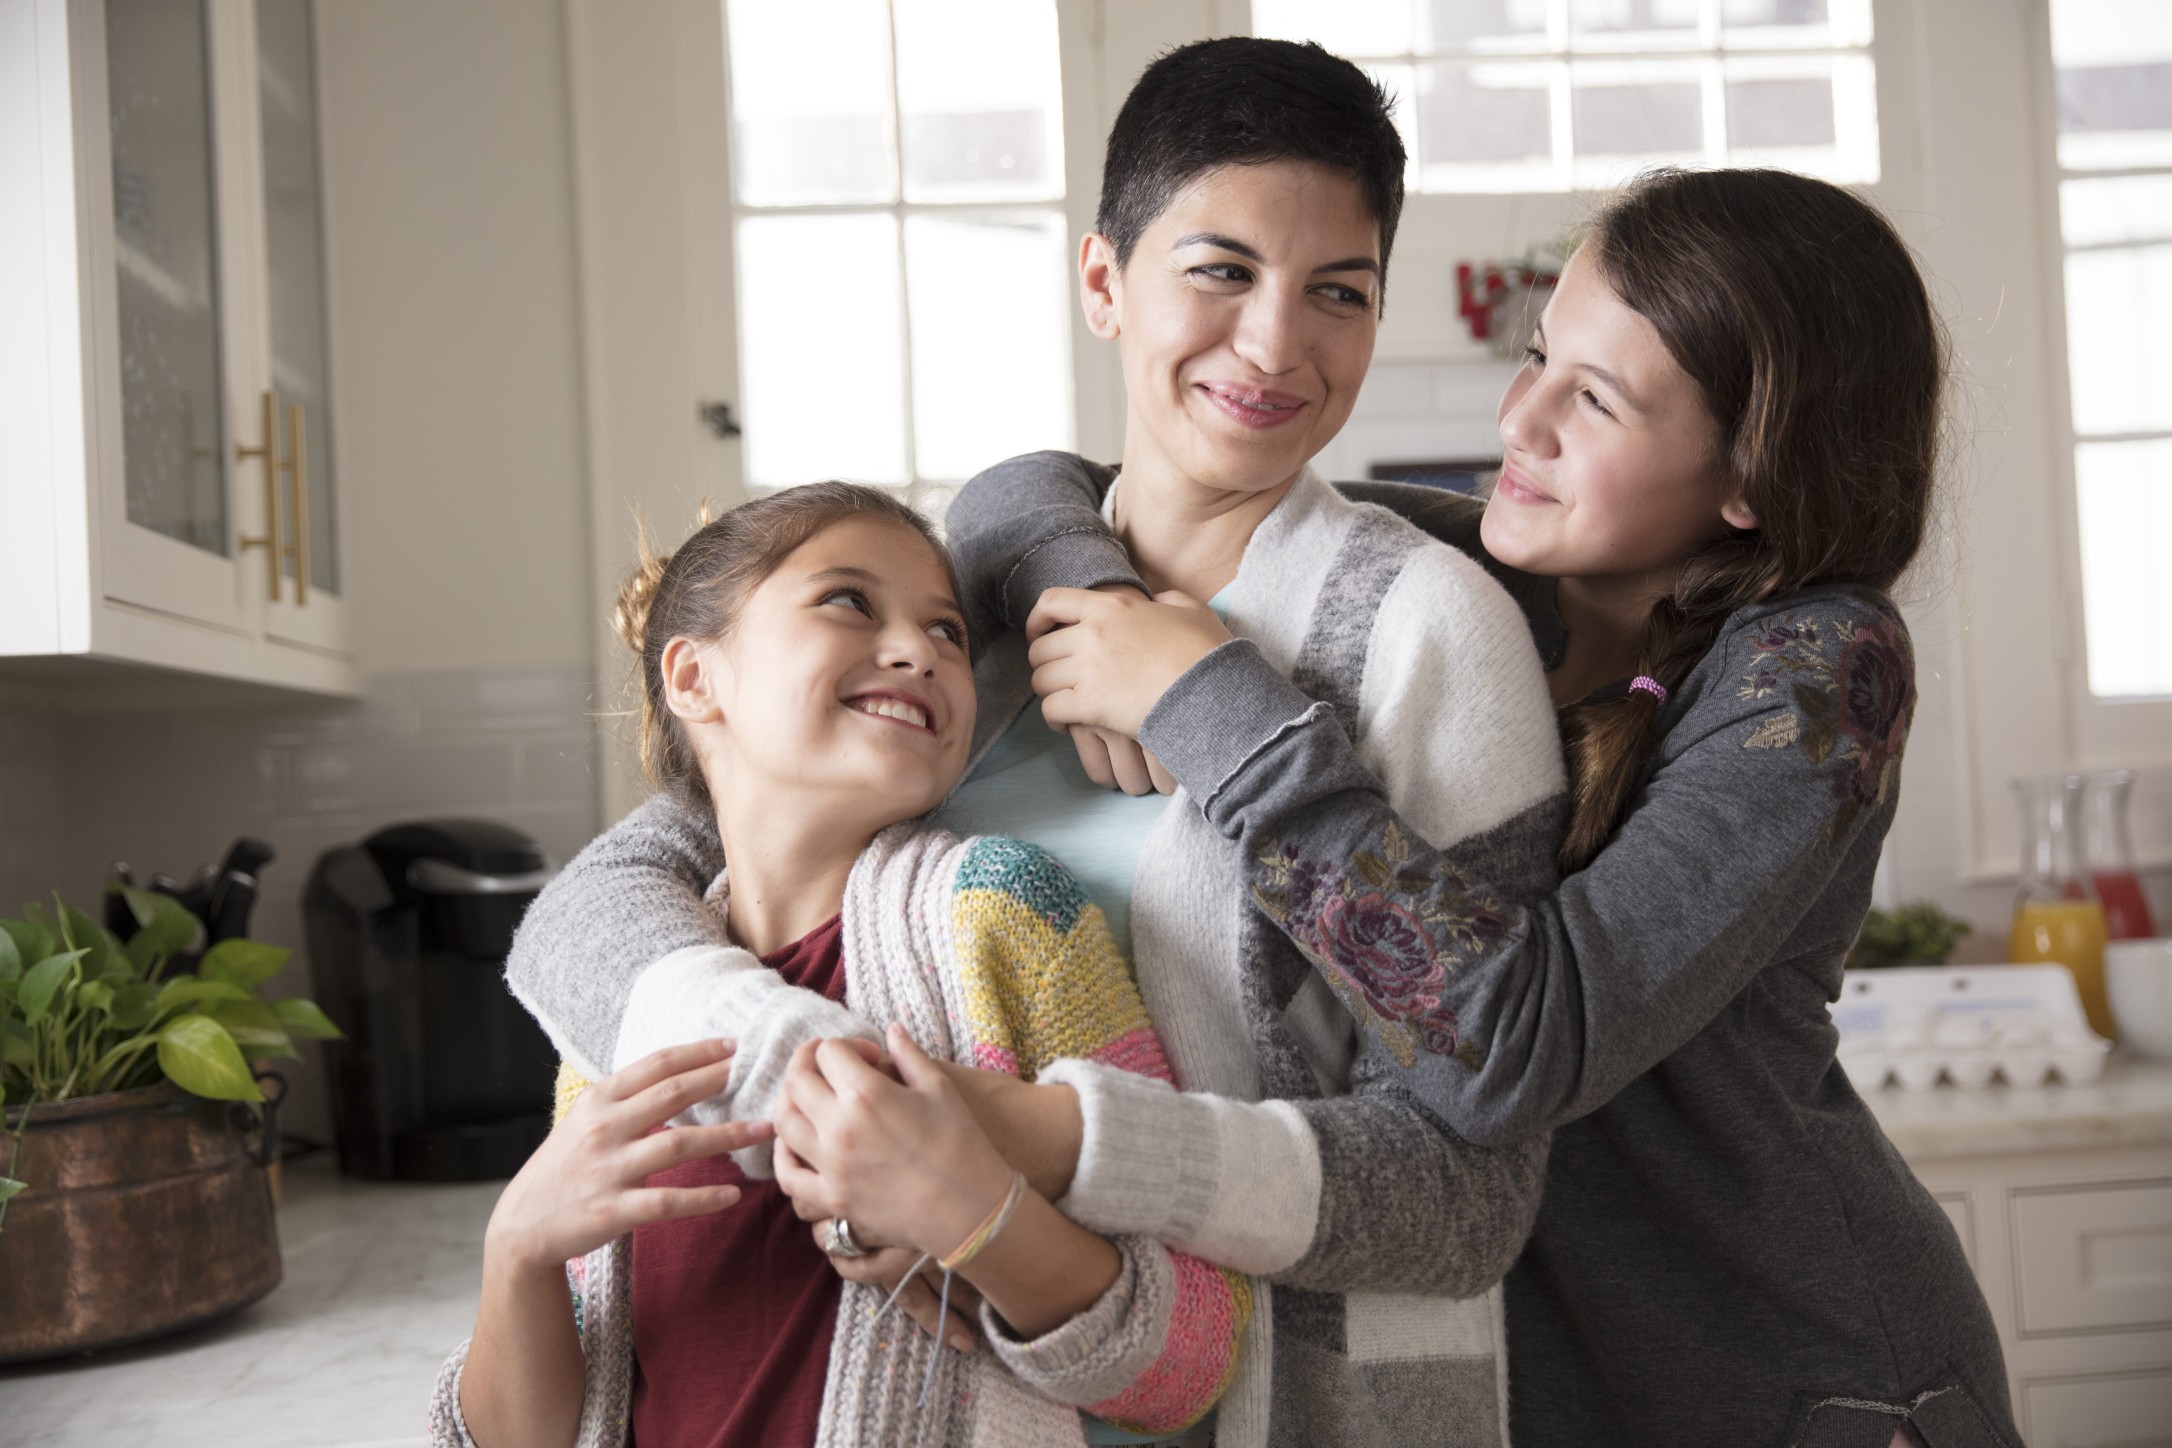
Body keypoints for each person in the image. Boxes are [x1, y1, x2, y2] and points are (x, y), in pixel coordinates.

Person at [502, 37, 1563, 1448]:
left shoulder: (1432, 637)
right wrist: (836, 1120)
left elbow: (1465, 1191)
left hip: (1288, 1411)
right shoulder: (966, 616)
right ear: (1104, 281)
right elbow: (614, 897)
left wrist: (1009, 1166)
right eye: (1222, 270)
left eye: (1338, 293)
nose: (1275, 344)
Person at [965, 169, 2023, 1448]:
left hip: (1810, 1388)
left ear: (1751, 476)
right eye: (1537, 356)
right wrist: (1100, 596)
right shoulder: (1474, 577)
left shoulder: (1818, 670)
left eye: (1598, 397)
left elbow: (1516, 1046)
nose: (1522, 418)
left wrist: (1210, 705)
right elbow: (1030, 490)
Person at [431, 484, 1248, 1448]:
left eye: (947, 630)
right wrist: (516, 1251)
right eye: (850, 601)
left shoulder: (1004, 914)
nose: (921, 649)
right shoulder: (623, 1015)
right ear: (695, 678)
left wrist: (979, 1223)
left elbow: (1189, 1365)